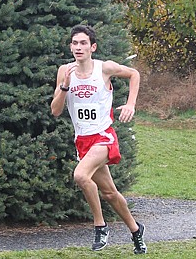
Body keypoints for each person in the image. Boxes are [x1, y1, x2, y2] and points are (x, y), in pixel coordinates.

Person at [51, 25, 147, 254]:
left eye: (83, 43)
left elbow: (134, 74)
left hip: (104, 137)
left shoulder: (104, 68)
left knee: (80, 175)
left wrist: (131, 104)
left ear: (92, 47)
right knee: (110, 193)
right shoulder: (65, 70)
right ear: (70, 47)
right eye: (75, 43)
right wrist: (64, 86)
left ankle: (100, 226)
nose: (78, 47)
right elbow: (55, 110)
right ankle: (136, 231)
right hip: (82, 141)